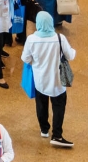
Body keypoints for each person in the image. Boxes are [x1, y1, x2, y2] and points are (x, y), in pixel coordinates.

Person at [21, 11, 76, 147]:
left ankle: (44, 129)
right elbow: (70, 56)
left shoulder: (32, 39)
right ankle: (57, 135)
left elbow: (25, 59)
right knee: (59, 107)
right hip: (58, 81)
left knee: (41, 104)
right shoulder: (59, 38)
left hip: (40, 81)